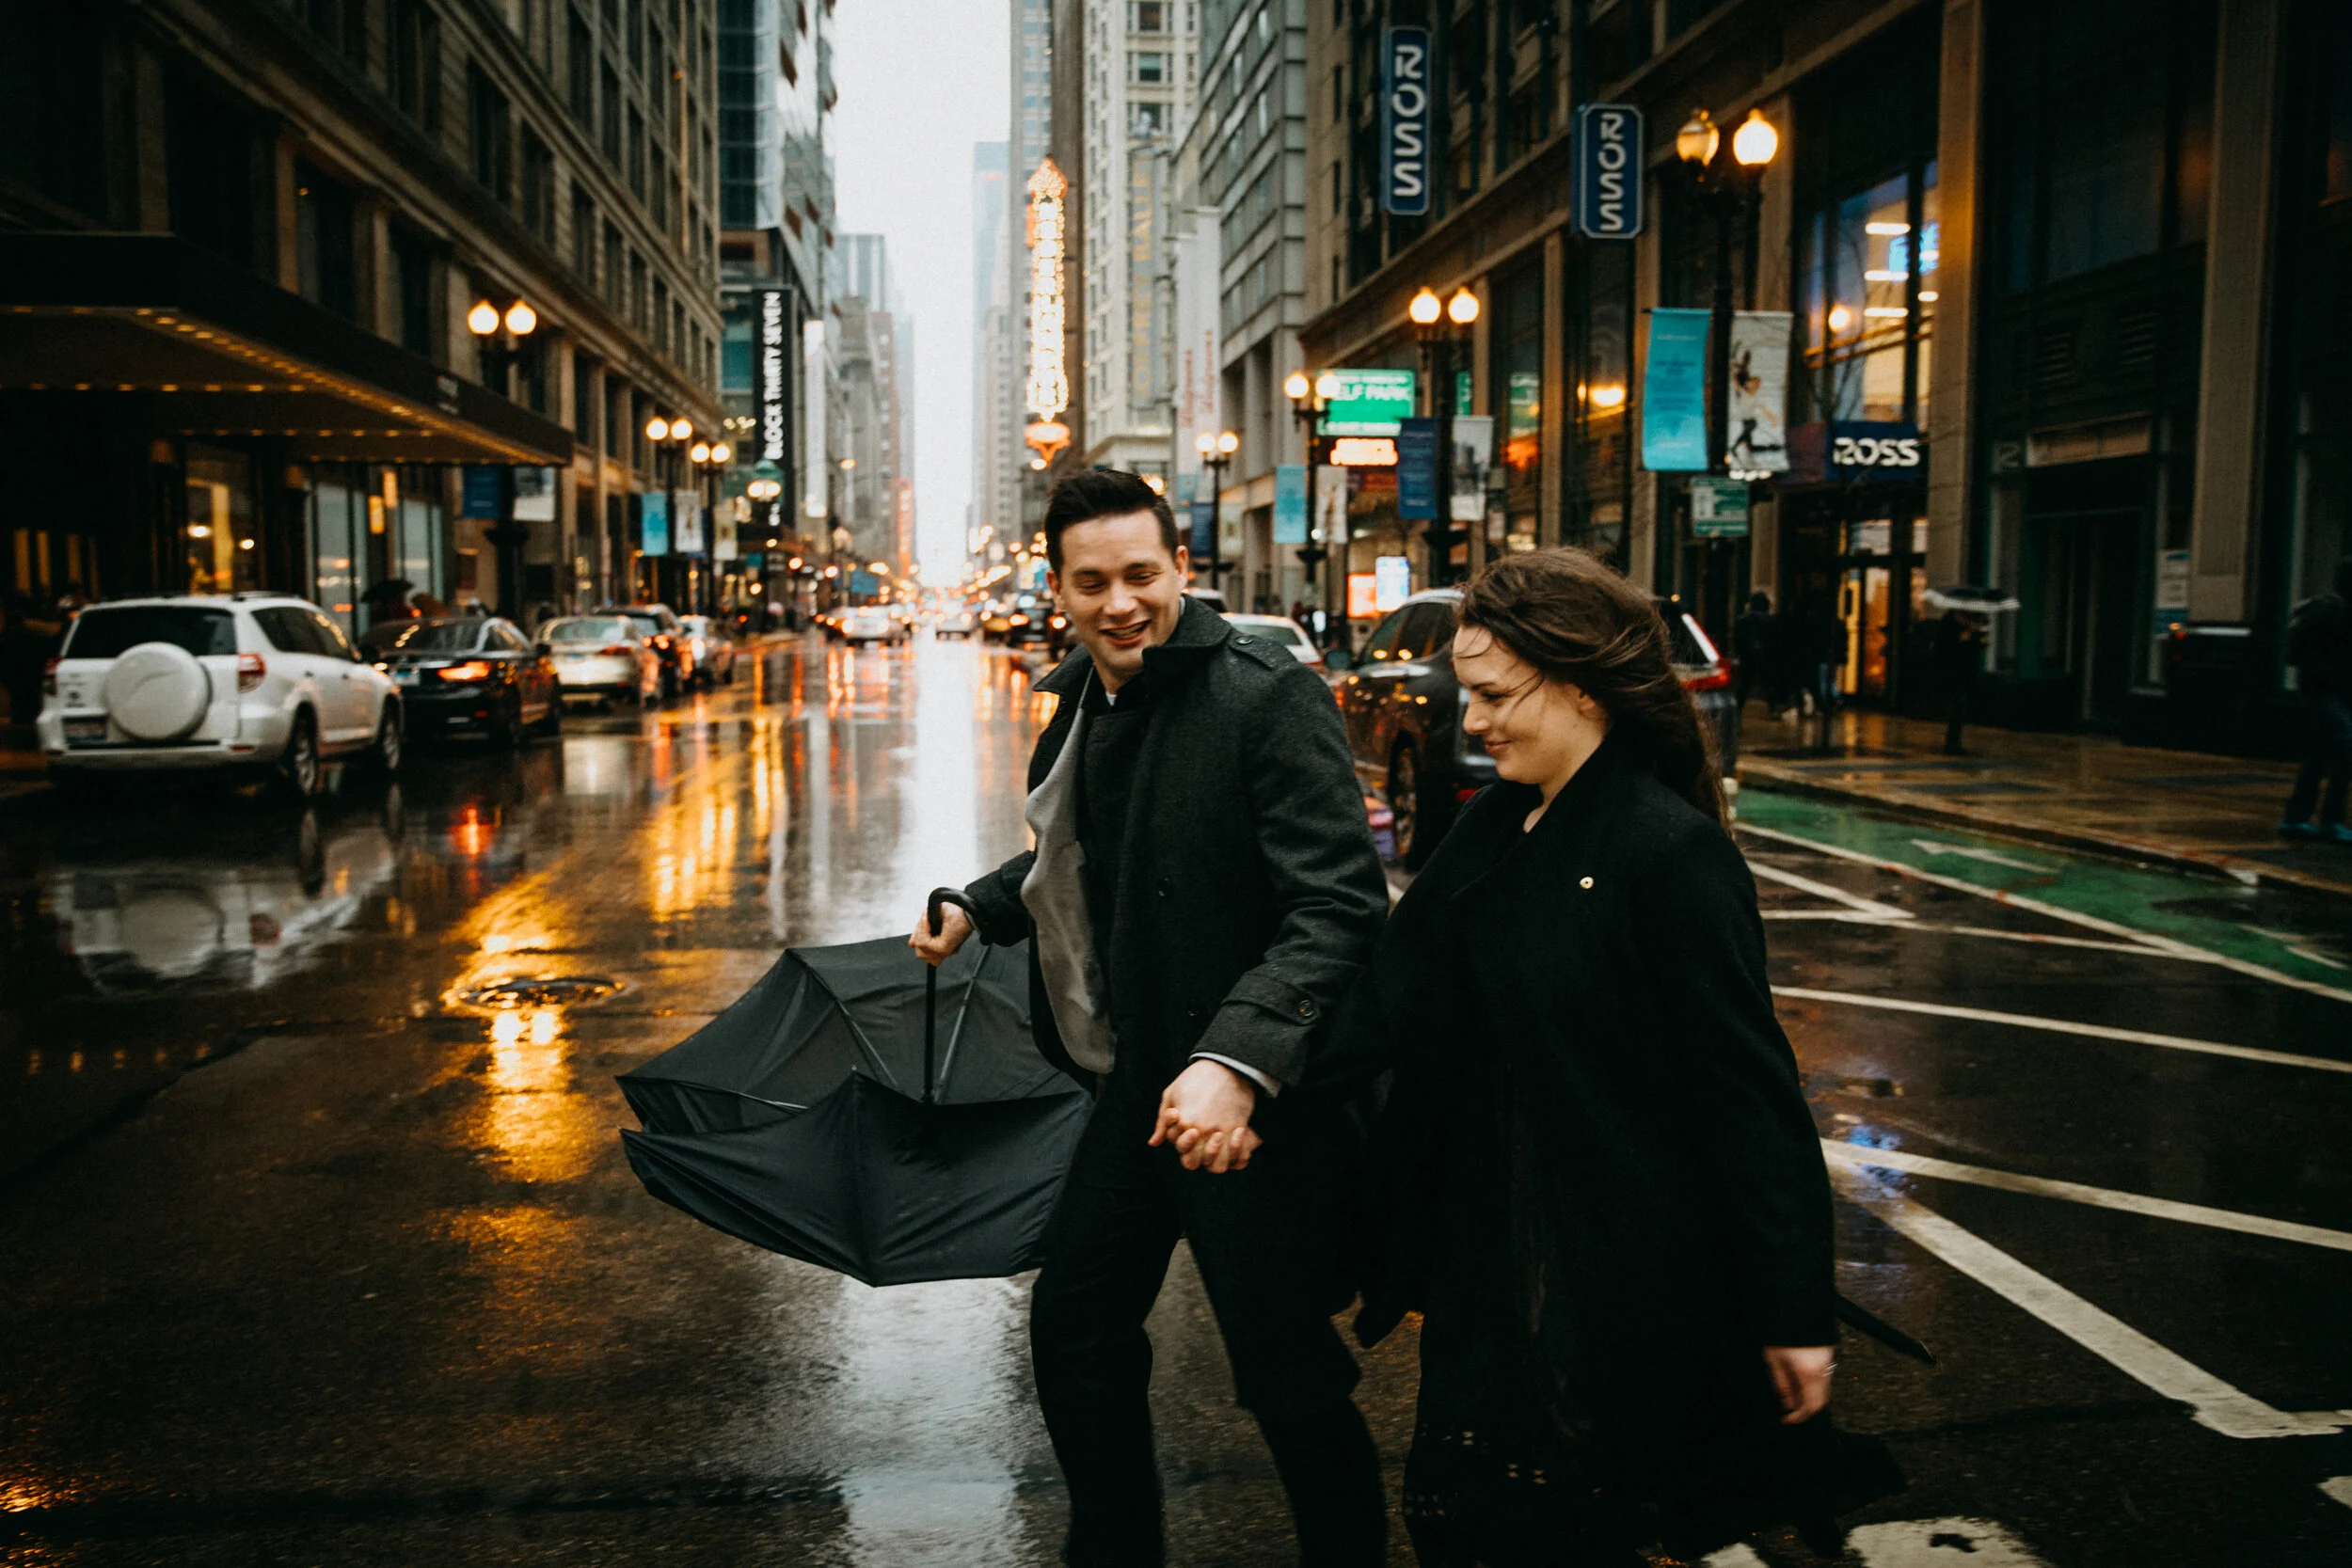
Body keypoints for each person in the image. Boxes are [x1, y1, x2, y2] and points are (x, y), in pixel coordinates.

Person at [1349, 547, 1899, 1567]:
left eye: (1493, 694)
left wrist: (1788, 1311)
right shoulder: (1502, 823)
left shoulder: (1668, 851)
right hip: (1489, 1260)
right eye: (1467, 695)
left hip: (1606, 1285)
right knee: (1465, 1519)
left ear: (1582, 685)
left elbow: (1749, 1101)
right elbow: (1392, 993)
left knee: (1570, 1527)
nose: (1471, 720)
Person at [909, 467, 1391, 1566]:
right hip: (1135, 1086)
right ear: (1059, 588)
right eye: (1093, 582)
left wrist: (1239, 1056)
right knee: (1076, 1325)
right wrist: (976, 907)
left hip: (1244, 1108)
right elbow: (1082, 856)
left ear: (1181, 566)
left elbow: (1336, 904)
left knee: (1284, 1373)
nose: (1120, 602)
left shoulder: (1263, 693)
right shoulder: (1084, 696)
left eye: (1140, 574)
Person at [2280, 559, 2352, 843]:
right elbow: (2299, 652)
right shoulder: (2329, 609)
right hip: (2325, 691)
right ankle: (2330, 819)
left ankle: (2298, 817)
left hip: (2337, 692)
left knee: (2320, 755)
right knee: (2345, 746)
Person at [1931, 609, 1988, 756]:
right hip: (1953, 671)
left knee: (1961, 706)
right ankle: (1952, 743)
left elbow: (1978, 646)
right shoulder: (1949, 621)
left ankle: (1955, 741)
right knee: (1957, 705)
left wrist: (1979, 639)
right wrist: (1960, 639)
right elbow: (1942, 646)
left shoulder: (1975, 620)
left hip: (1967, 671)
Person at [1732, 591, 1778, 714]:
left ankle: (1737, 713)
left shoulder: (1742, 619)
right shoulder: (1771, 620)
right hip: (1765, 657)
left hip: (1747, 658)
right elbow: (1775, 641)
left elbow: (1738, 639)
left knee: (1743, 687)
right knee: (1768, 686)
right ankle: (1773, 711)